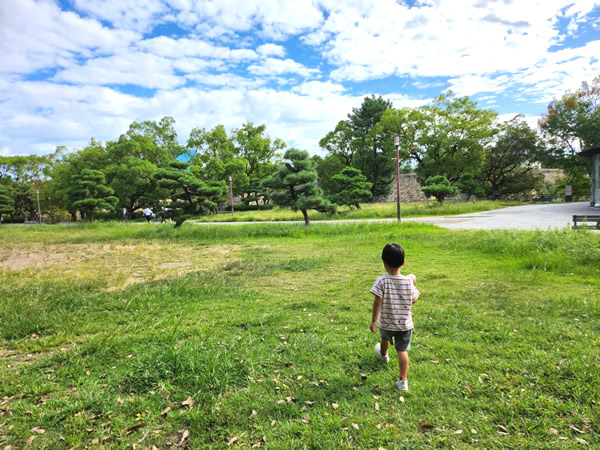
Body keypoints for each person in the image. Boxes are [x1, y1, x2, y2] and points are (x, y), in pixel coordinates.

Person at [369, 243, 420, 391]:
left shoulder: (382, 281)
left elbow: (377, 300)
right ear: (403, 262)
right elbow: (413, 299)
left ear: (384, 263)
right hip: (405, 324)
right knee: (402, 350)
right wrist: (414, 284)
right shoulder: (408, 282)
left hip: (386, 322)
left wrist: (373, 320)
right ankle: (403, 380)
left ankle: (384, 354)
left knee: (385, 339)